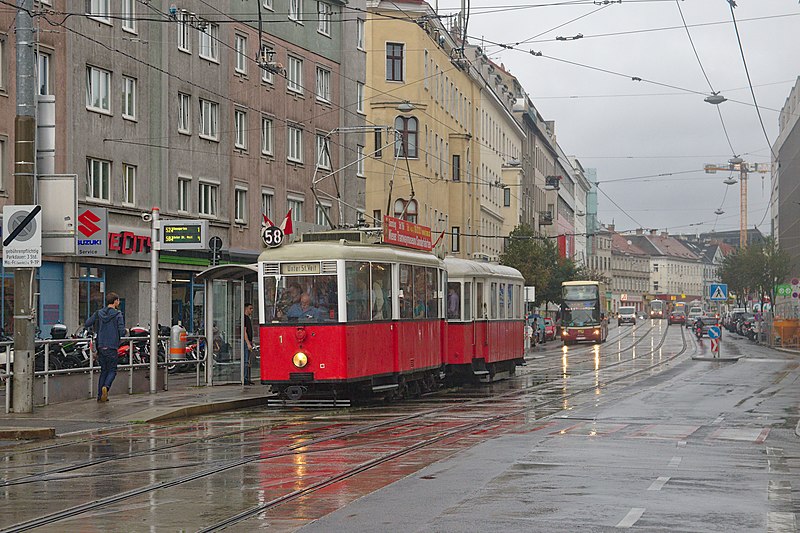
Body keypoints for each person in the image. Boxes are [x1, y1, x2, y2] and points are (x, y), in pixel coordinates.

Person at [85, 292, 125, 402]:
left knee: (103, 371)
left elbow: (87, 323)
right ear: (115, 301)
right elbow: (122, 331)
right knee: (112, 370)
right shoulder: (118, 314)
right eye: (118, 300)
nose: (119, 302)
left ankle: (100, 396)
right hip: (112, 346)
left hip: (101, 346)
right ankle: (106, 388)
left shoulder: (99, 313)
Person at [243, 303, 254, 385]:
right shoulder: (244, 318)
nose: (252, 310)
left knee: (248, 361)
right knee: (246, 360)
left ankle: (247, 377)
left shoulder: (248, 318)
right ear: (246, 308)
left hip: (249, 341)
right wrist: (248, 343)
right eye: (250, 308)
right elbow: (244, 332)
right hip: (246, 341)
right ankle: (245, 378)